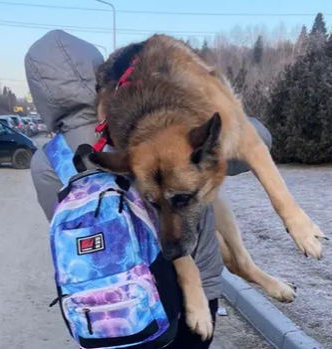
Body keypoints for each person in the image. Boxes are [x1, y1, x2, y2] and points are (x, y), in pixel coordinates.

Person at [26, 30, 272, 349]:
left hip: (111, 303)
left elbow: (66, 227)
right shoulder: (149, 127)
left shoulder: (46, 160)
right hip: (192, 295)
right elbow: (260, 141)